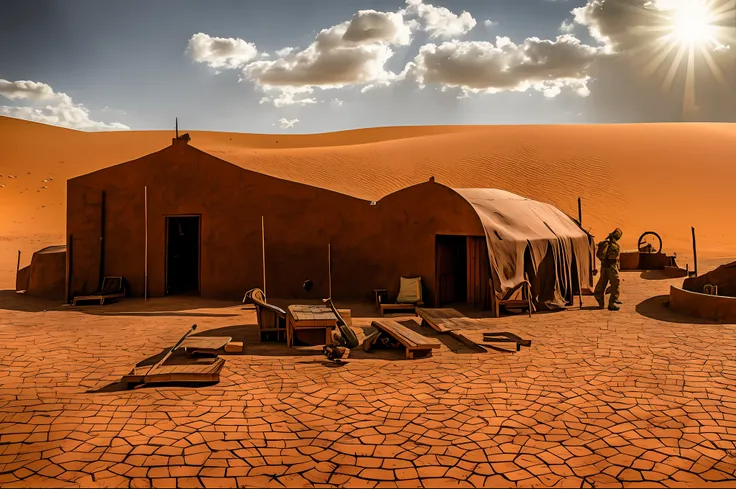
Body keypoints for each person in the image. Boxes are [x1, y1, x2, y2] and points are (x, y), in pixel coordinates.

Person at [595, 228, 623, 311]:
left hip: (605, 266)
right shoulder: (613, 245)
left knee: (603, 282)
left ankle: (599, 297)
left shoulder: (605, 243)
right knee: (615, 282)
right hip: (611, 267)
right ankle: (612, 303)